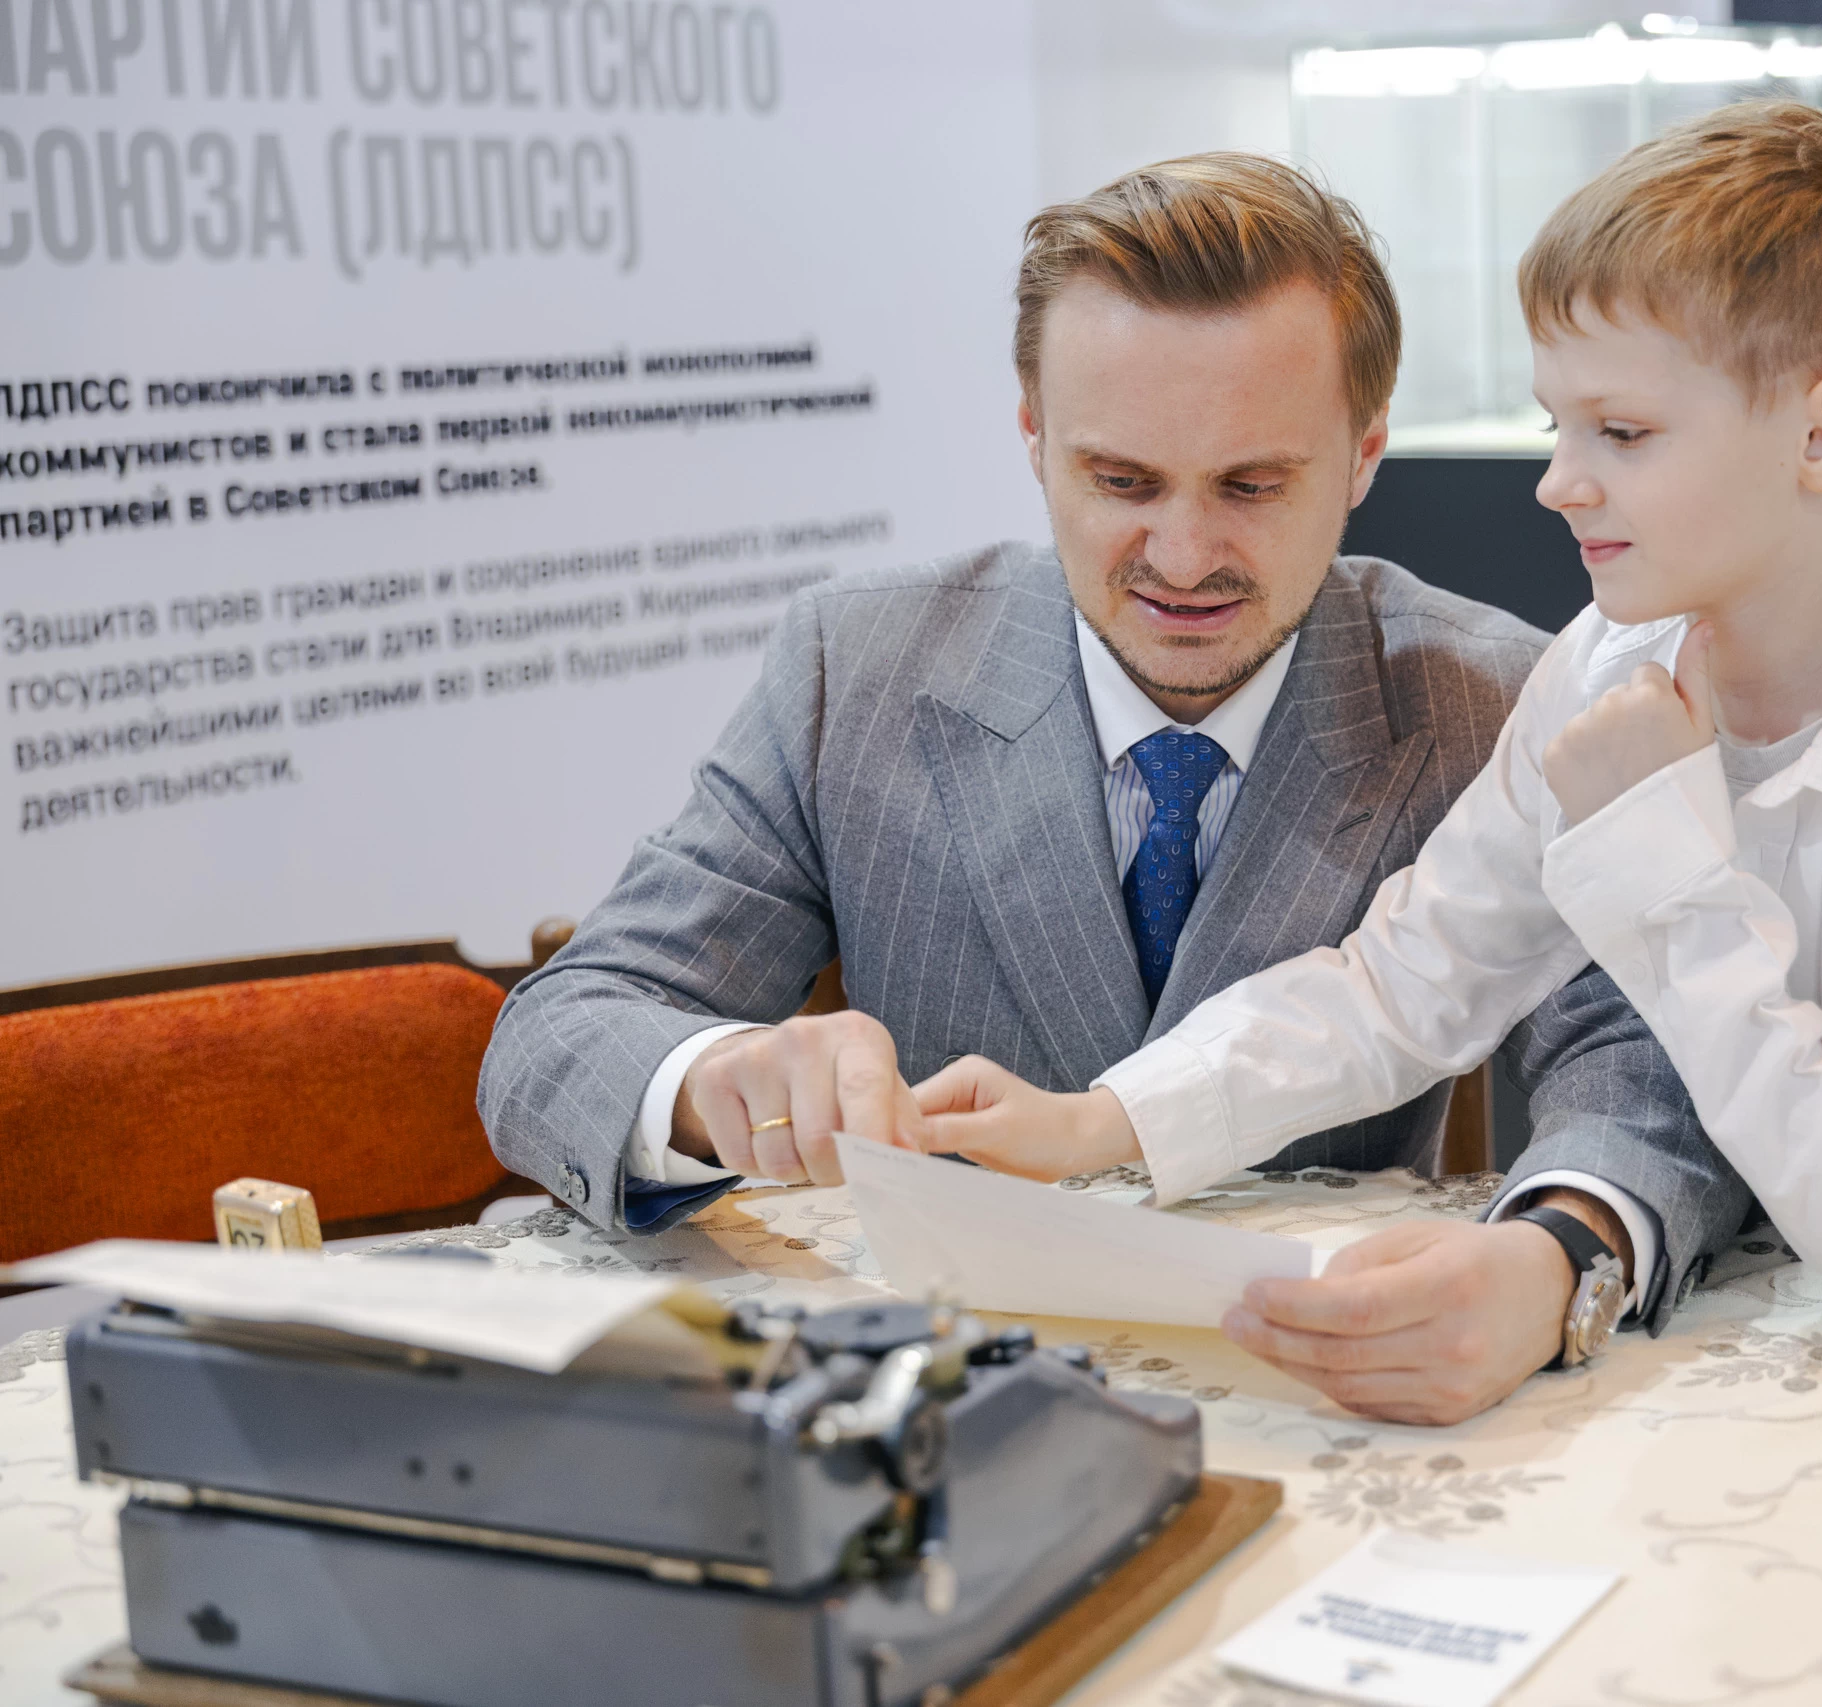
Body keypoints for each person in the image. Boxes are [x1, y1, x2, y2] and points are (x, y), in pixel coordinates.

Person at [479, 153, 1750, 1425]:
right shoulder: (854, 669)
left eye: (1252, 486)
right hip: (931, 1408)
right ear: (1034, 441)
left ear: (1364, 453)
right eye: (1121, 483)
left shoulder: (1492, 699)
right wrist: (712, 1079)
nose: (1183, 559)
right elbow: (563, 1027)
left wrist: (1558, 1253)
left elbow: (1643, 1065)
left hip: (1330, 1404)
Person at [908, 105, 1822, 1337]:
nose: (1556, 482)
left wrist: (1659, 847)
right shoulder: (1606, 662)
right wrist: (1104, 1122)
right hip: (1744, 1336)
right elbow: (1407, 980)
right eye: (1557, 424)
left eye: (1620, 431)